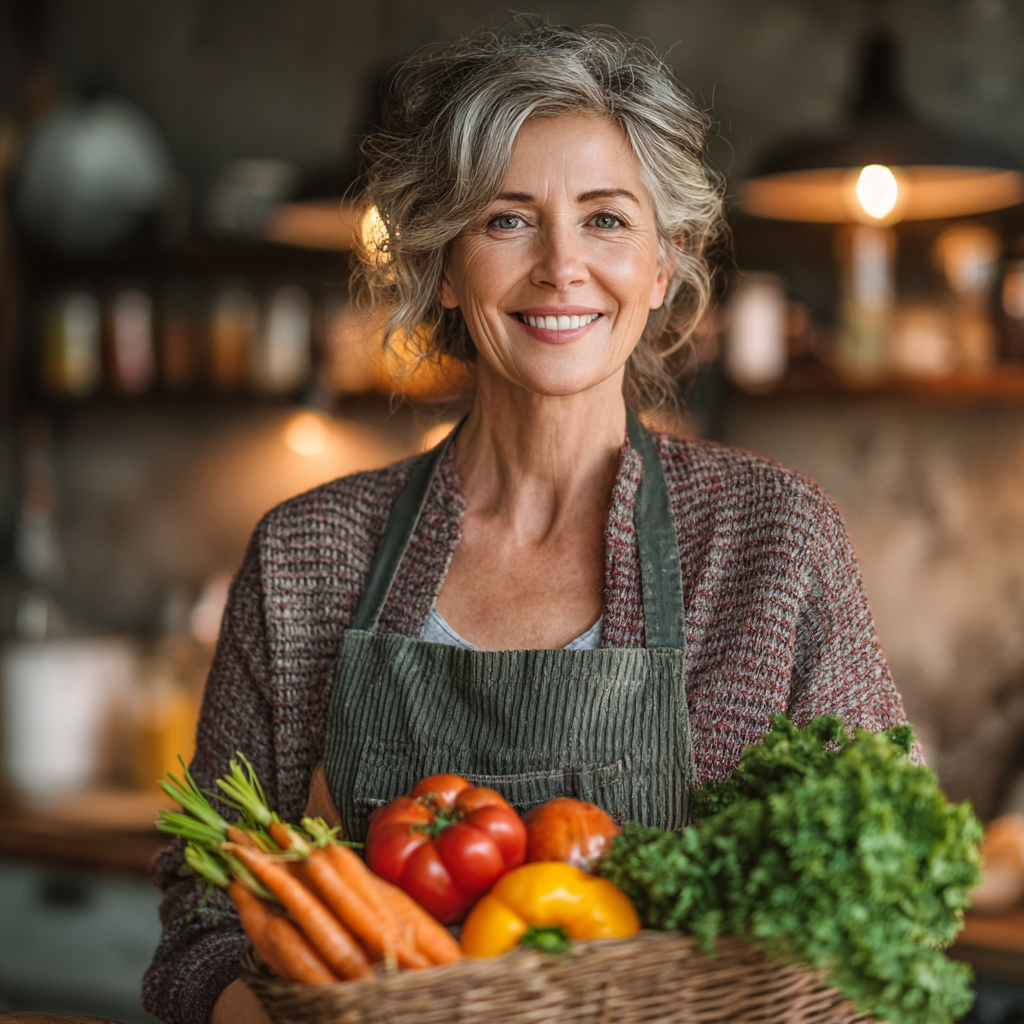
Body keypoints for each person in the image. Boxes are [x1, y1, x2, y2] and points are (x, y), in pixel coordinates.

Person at [143, 20, 911, 1024]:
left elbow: (883, 900)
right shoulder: (306, 557)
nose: (560, 266)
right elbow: (204, 919)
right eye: (507, 220)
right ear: (446, 264)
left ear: (665, 260)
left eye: (604, 219)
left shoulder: (772, 539)